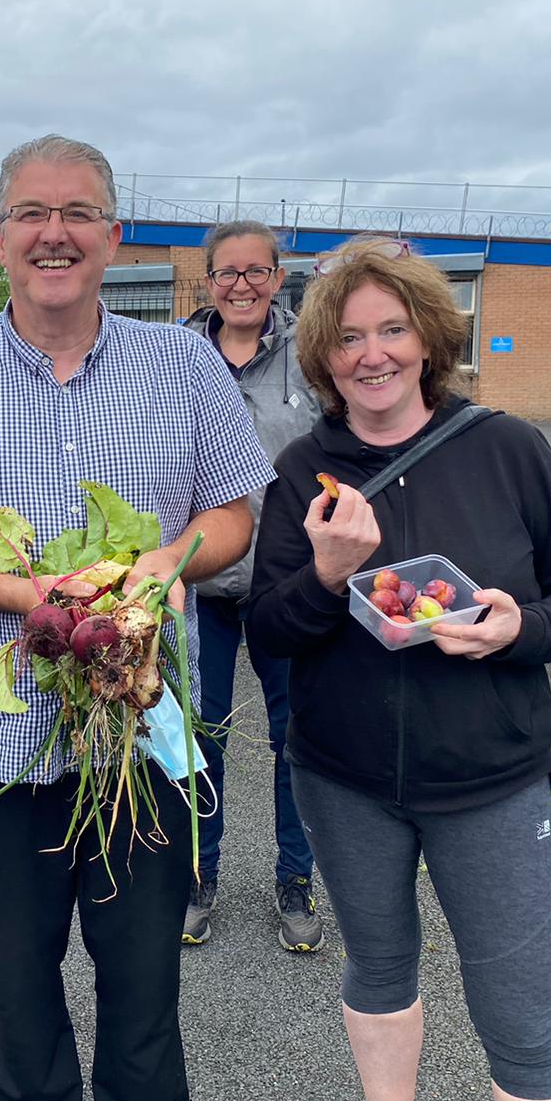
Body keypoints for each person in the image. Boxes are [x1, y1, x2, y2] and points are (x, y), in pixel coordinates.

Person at [0, 135, 275, 1101]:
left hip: (147, 743)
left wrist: (153, 572)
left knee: (144, 1007)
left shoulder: (183, 365)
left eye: (78, 213)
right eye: (33, 215)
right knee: (20, 1004)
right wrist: (24, 595)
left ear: (112, 237)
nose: (55, 233)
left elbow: (235, 512)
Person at [246, 236, 551, 1101]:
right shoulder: (304, 472)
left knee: (524, 1023)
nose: (372, 354)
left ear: (430, 340)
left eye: (393, 330)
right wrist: (328, 575)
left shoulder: (508, 449)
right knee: (376, 967)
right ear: (324, 355)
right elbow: (269, 630)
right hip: (344, 780)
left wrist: (517, 628)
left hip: (491, 778)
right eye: (348, 337)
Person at [180, 220, 323, 951]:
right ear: (207, 281)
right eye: (227, 273)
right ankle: (198, 874)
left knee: (295, 737)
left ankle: (295, 878)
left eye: (256, 272)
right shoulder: (171, 357)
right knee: (199, 737)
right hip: (197, 586)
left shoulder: (311, 354)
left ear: (278, 277)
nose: (241, 286)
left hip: (286, 587)